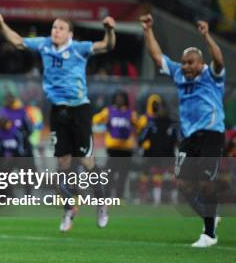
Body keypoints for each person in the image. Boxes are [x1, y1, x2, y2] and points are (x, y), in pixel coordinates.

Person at [0, 13, 116, 231]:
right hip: (58, 112)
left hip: (79, 110)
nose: (55, 31)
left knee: (86, 162)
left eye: (60, 28)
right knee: (62, 164)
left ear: (70, 33)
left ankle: (101, 202)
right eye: (53, 27)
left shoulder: (79, 48)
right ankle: (69, 208)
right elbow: (18, 41)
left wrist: (109, 30)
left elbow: (107, 45)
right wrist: (2, 25)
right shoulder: (44, 45)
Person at [140, 14, 225, 248]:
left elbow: (219, 60)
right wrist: (147, 30)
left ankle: (209, 234)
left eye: (190, 62)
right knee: (184, 186)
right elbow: (157, 58)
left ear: (200, 64)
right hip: (189, 137)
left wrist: (207, 35)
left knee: (207, 184)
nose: (186, 66)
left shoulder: (212, 75)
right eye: (184, 62)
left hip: (211, 134)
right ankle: (211, 217)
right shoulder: (178, 72)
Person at [92, 91, 145, 200]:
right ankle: (106, 196)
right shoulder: (109, 111)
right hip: (113, 149)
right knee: (109, 173)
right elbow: (95, 119)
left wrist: (138, 125)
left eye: (121, 98)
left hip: (126, 149)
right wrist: (103, 120)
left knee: (123, 174)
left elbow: (140, 125)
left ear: (125, 100)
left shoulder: (130, 113)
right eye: (117, 98)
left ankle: (119, 197)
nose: (119, 100)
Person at [138, 95, 178, 205]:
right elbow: (142, 138)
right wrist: (142, 149)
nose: (161, 110)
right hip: (155, 155)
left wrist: (179, 151)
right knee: (157, 177)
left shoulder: (172, 125)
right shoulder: (152, 124)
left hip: (170, 156)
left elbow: (178, 140)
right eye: (159, 108)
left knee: (173, 178)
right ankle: (157, 200)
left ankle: (174, 199)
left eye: (163, 108)